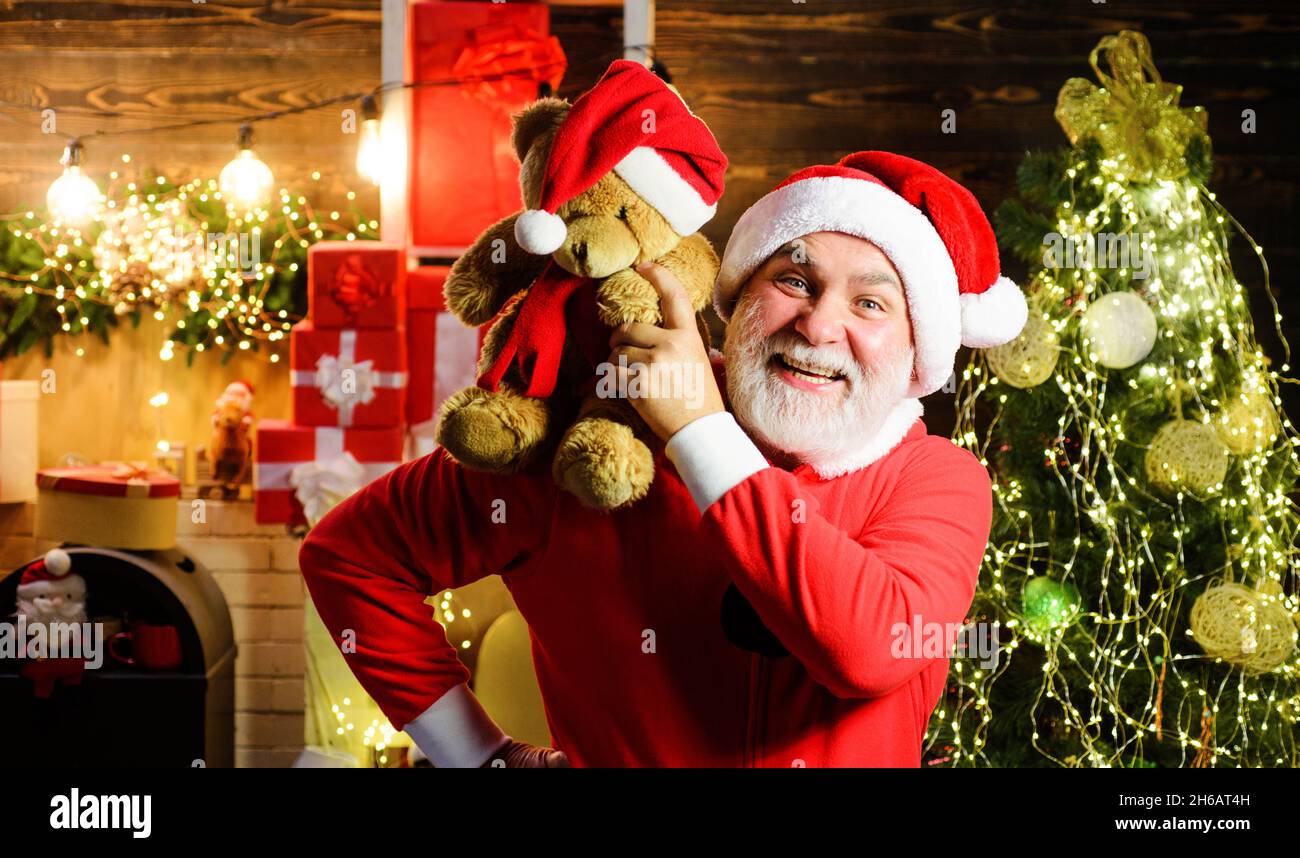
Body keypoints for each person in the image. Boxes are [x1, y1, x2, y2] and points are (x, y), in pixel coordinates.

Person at [297, 150, 1029, 767]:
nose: (819, 324)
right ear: (736, 302)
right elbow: (350, 556)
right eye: (794, 281)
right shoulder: (589, 437)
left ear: (915, 352)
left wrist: (701, 428)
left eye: (871, 304)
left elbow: (868, 651)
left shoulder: (936, 480)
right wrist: (479, 755)